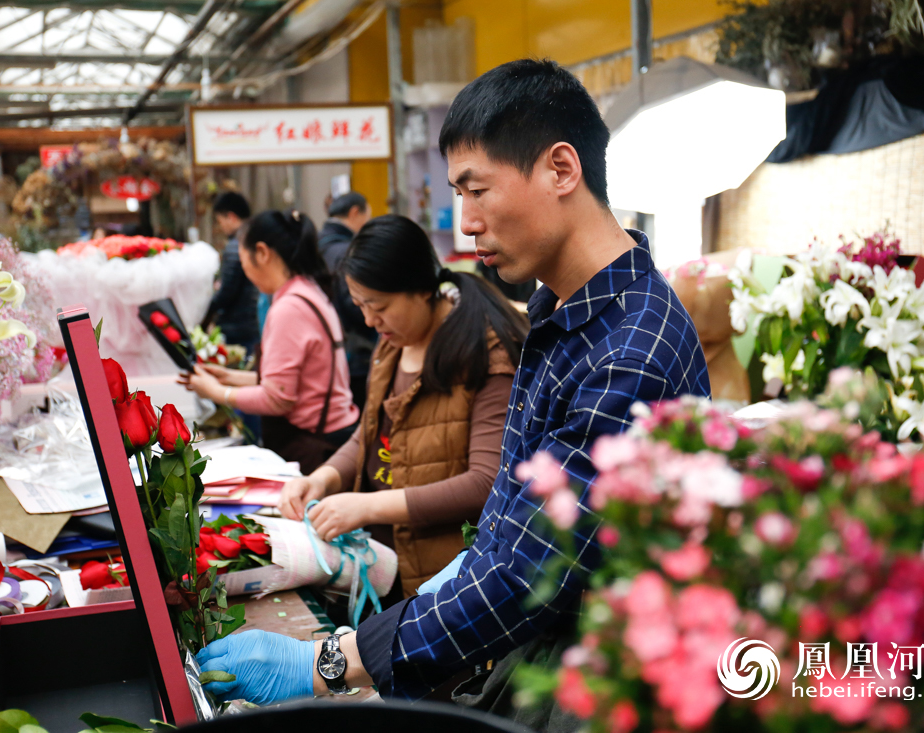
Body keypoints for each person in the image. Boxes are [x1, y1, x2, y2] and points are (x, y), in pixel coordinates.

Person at [196, 59, 710, 729]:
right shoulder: (562, 306)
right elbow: (512, 517)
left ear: (561, 169)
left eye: (478, 190)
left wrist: (329, 660)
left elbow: (527, 580)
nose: (466, 222)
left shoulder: (628, 353)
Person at [279, 214, 527, 601]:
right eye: (360, 305)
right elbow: (372, 429)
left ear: (421, 289)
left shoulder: (485, 355)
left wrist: (368, 507)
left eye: (378, 305)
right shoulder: (393, 341)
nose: (369, 320)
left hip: (449, 578)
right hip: (389, 560)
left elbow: (485, 483)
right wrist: (323, 479)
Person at [182, 209, 359, 474]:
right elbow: (295, 381)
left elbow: (278, 399)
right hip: (336, 432)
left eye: (244, 261)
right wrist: (229, 377)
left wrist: (217, 392)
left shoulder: (289, 307)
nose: (245, 271)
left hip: (315, 443)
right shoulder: (307, 290)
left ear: (262, 253)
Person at [318, 191, 377, 410]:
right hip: (355, 352)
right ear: (354, 213)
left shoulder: (318, 244)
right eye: (367, 216)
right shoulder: (346, 251)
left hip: (330, 351)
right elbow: (354, 305)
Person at [202, 192, 260, 352]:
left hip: (237, 327)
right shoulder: (254, 239)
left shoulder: (235, 247)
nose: (221, 227)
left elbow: (227, 292)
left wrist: (206, 307)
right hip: (253, 323)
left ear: (231, 217)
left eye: (220, 221)